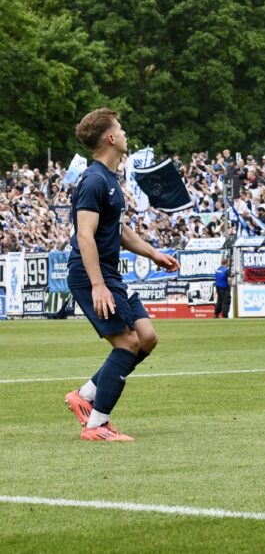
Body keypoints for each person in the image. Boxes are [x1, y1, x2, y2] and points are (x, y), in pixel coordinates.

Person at [63, 108, 180, 441]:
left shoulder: (108, 179)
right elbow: (84, 234)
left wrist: (154, 254)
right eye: (121, 129)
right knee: (128, 343)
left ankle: (84, 396)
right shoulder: (94, 179)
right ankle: (97, 425)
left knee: (147, 338)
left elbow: (118, 230)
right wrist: (98, 285)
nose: (126, 133)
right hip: (92, 275)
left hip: (109, 273)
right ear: (111, 138)